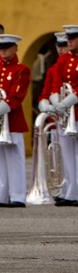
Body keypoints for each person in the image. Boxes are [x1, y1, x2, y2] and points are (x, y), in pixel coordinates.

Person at [43, 24, 78, 206]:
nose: (70, 40)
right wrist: (55, 101)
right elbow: (56, 83)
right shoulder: (63, 60)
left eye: (74, 37)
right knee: (67, 154)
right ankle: (71, 192)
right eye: (69, 37)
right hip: (64, 115)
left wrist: (66, 102)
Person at [0, 34, 30, 207]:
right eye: (1, 48)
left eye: (7, 47)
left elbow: (17, 96)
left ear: (15, 48)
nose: (3, 50)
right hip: (0, 124)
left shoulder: (21, 69)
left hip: (13, 121)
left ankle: (17, 196)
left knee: (15, 160)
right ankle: (2, 196)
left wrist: (3, 106)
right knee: (1, 162)